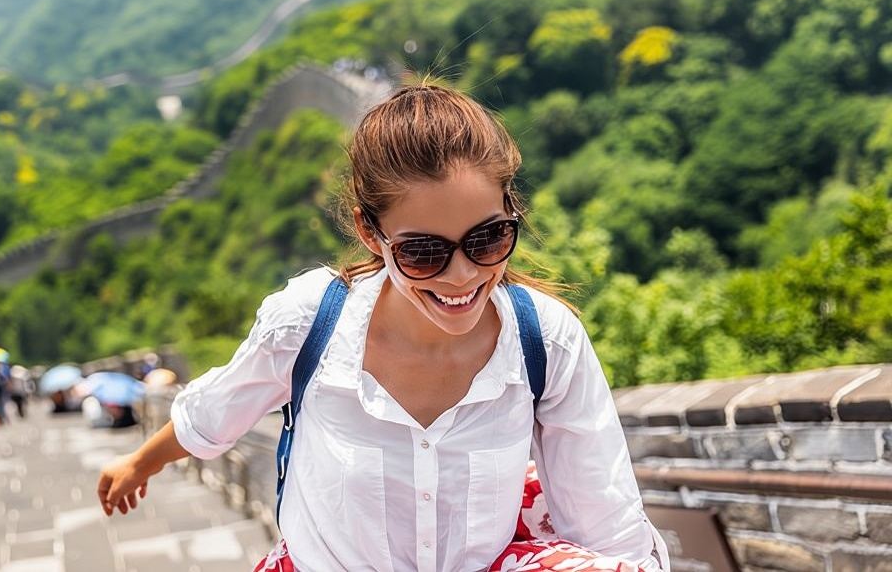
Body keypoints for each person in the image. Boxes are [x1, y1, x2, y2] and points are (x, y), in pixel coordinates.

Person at [97, 82, 670, 571]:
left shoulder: (544, 341)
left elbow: (605, 520)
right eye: (424, 252)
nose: (463, 275)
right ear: (371, 233)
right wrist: (137, 464)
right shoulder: (309, 324)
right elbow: (214, 415)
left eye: (488, 238)